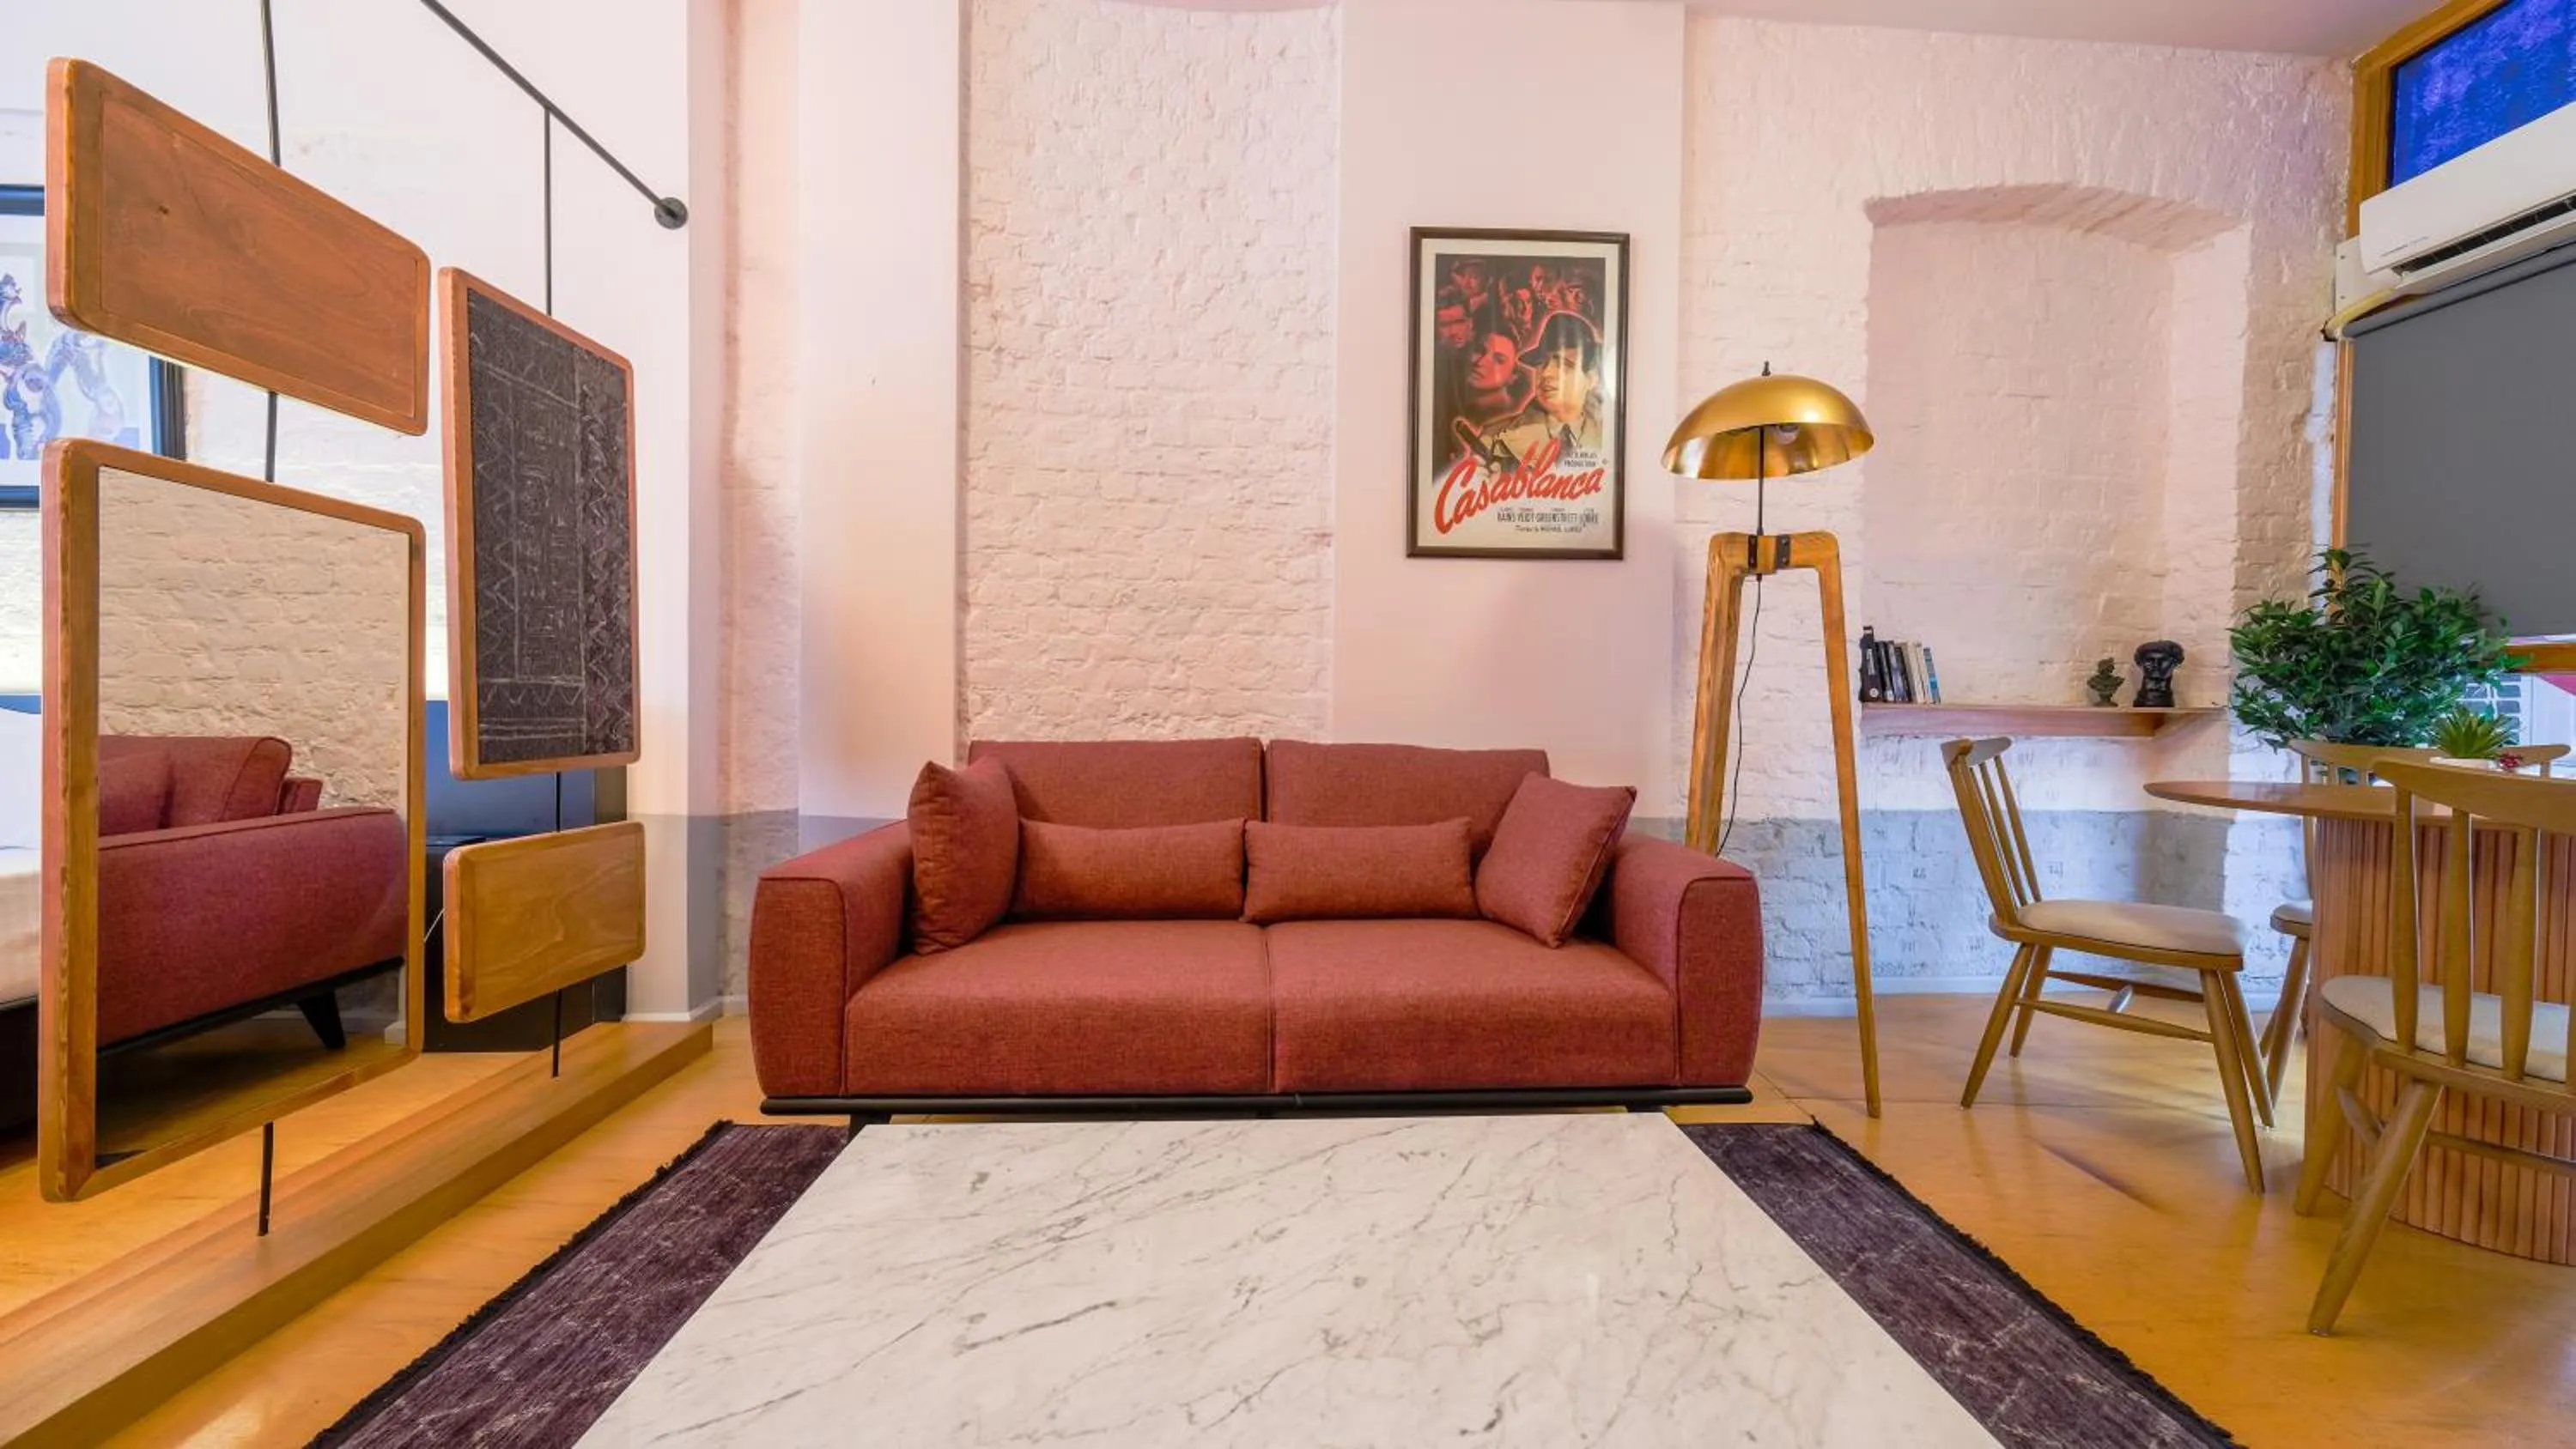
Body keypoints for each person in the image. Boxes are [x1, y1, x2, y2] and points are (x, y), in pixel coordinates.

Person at [1475, 310, 1605, 462]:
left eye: (1564, 365)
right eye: (1541, 362)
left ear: (1591, 379)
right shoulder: (1493, 438)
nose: (1546, 373)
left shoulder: (1609, 437)